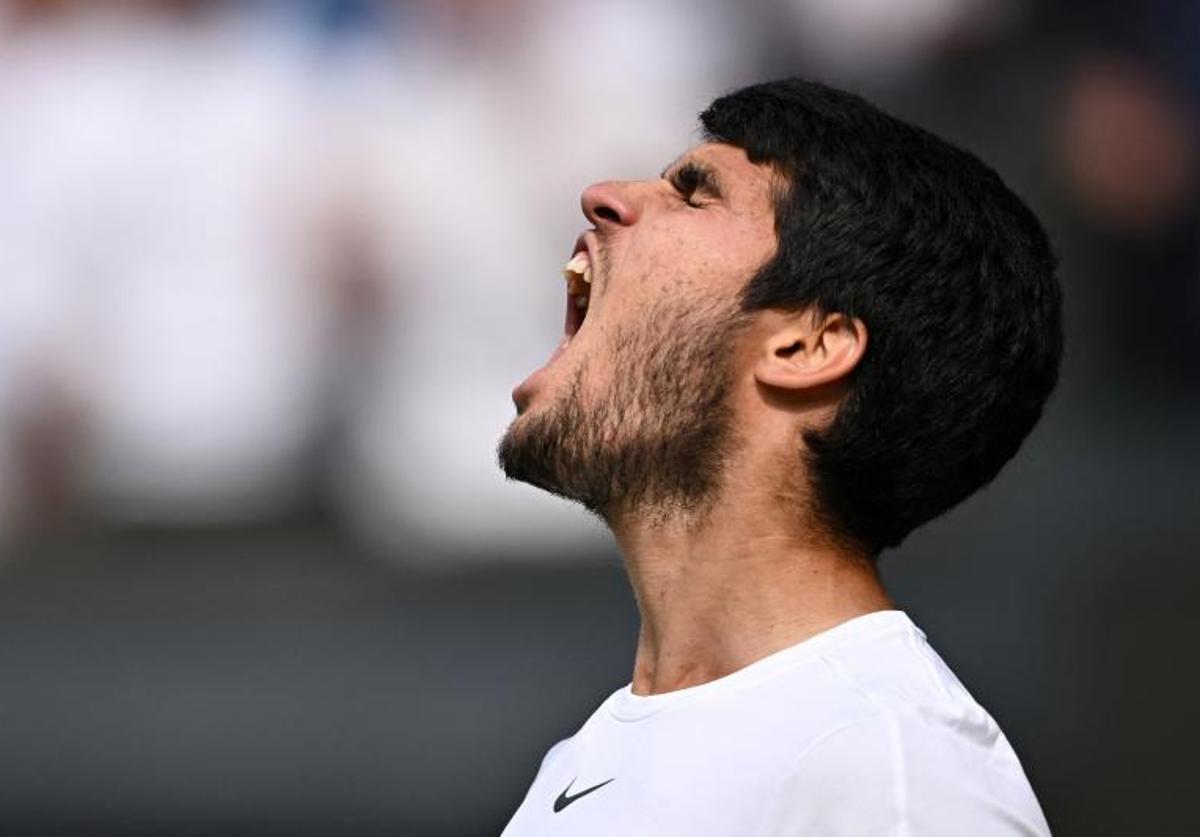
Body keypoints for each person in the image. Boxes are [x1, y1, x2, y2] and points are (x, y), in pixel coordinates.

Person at [496, 79, 1060, 836]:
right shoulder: (584, 758)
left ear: (807, 345)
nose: (604, 196)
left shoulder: (894, 774)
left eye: (696, 195)